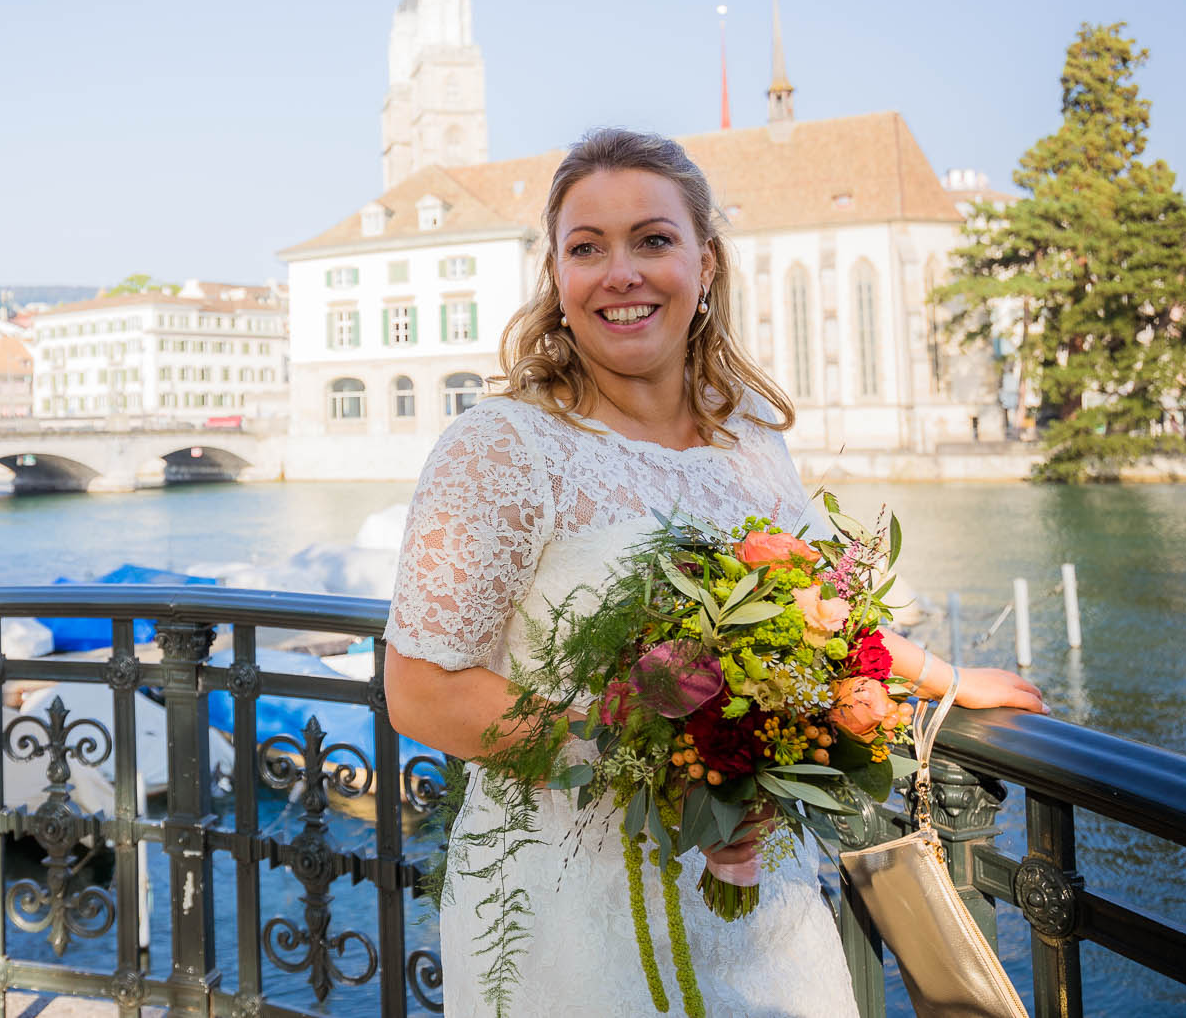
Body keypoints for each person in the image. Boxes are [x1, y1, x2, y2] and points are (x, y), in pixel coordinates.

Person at [383, 130, 1047, 1017]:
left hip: (757, 913)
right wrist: (661, 762)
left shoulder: (750, 439)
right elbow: (421, 693)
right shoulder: (502, 447)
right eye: (587, 248)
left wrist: (947, 679)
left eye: (652, 240)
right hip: (562, 920)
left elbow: (821, 608)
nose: (620, 272)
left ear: (705, 264)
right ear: (557, 277)